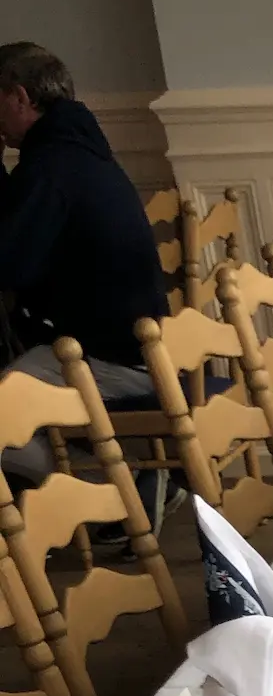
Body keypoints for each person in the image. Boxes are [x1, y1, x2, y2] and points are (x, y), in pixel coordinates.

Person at [0, 41, 166, 489]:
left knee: (6, 409)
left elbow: (9, 266)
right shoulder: (80, 150)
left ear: (19, 97)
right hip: (144, 344)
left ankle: (122, 491)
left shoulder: (50, 166)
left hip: (114, 356)